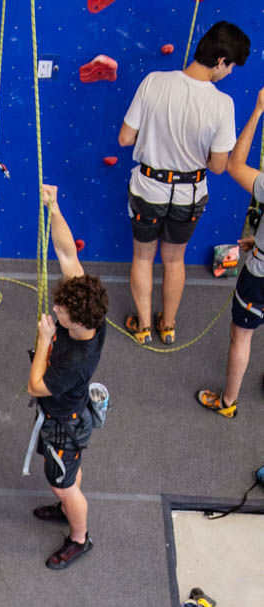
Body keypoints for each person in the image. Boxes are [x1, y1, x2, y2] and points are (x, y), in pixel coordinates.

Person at [118, 21, 250, 345]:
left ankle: (144, 326)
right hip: (189, 195)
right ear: (221, 60)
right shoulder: (223, 104)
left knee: (143, 257)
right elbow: (218, 166)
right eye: (231, 66)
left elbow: (124, 138)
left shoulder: (153, 82)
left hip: (149, 188)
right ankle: (169, 325)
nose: (230, 73)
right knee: (175, 259)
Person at [28, 186, 109, 570]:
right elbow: (66, 252)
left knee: (63, 483)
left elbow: (35, 386)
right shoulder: (89, 311)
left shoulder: (75, 360)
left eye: (60, 312)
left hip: (64, 423)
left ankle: (80, 537)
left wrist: (44, 340)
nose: (55, 309)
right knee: (66, 476)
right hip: (65, 418)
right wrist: (54, 208)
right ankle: (68, 500)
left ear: (75, 323)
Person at [197, 86, 264, 419]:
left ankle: (227, 402)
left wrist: (257, 112)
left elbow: (233, 164)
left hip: (261, 277)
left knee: (242, 335)